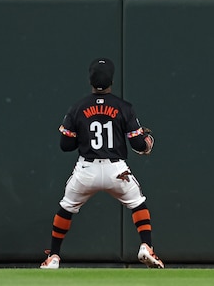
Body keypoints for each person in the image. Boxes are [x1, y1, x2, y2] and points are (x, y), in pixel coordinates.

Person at [40, 57, 164, 269]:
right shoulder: (124, 107)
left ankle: (53, 256)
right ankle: (146, 246)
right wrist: (146, 144)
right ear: (112, 81)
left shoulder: (78, 107)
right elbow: (137, 143)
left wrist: (82, 135)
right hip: (117, 170)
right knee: (137, 204)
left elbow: (65, 145)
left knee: (66, 208)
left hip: (86, 170)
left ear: (90, 80)